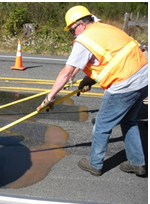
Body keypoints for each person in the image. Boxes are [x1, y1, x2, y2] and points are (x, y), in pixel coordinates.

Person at [37, 6, 148, 176]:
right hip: (144, 78)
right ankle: (137, 162)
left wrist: (50, 97)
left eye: (72, 30)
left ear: (80, 24)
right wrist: (88, 80)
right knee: (129, 120)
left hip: (124, 85)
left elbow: (67, 72)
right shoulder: (106, 29)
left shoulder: (84, 39)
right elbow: (111, 59)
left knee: (101, 125)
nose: (73, 34)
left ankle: (94, 164)